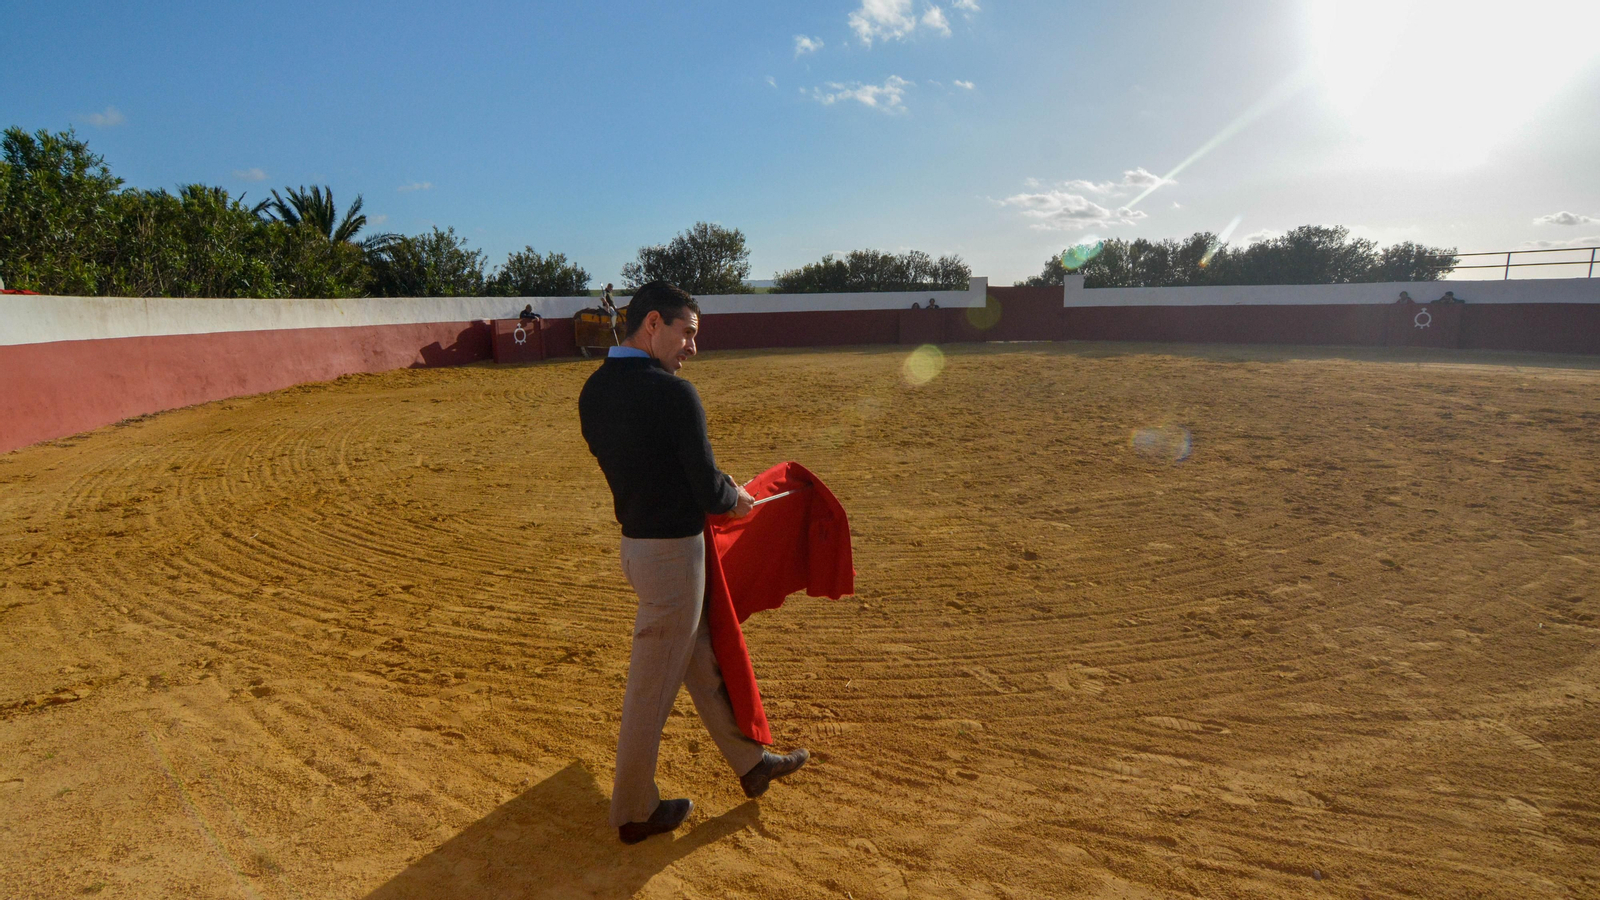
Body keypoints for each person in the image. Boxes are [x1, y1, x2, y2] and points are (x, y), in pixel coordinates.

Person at [577, 280, 810, 845]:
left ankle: (750, 763)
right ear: (653, 323)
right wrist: (736, 497)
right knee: (650, 689)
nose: (693, 348)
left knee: (698, 654)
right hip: (675, 558)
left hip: (637, 549)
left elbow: (653, 470)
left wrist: (708, 489)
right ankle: (633, 810)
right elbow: (708, 492)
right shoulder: (674, 394)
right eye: (688, 333)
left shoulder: (593, 392)